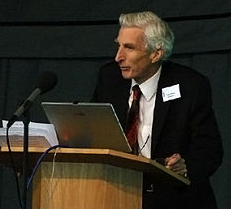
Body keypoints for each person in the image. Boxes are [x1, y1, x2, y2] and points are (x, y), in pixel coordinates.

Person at [92, 11, 223, 209]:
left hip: (175, 199)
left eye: (129, 48)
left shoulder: (190, 85)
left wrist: (185, 167)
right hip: (118, 194)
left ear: (156, 53)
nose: (118, 57)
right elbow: (93, 130)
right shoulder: (109, 77)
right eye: (118, 45)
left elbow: (210, 150)